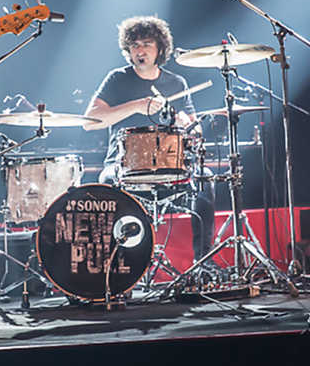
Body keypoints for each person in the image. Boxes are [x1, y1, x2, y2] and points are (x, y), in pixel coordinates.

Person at [83, 16, 216, 264]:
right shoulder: (117, 79)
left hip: (170, 166)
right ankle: (119, 265)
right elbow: (89, 121)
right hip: (123, 166)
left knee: (204, 177)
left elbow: (195, 130)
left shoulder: (176, 83)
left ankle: (204, 262)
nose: (140, 51)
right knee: (106, 180)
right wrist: (136, 106)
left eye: (146, 44)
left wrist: (185, 124)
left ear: (160, 49)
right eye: (134, 45)